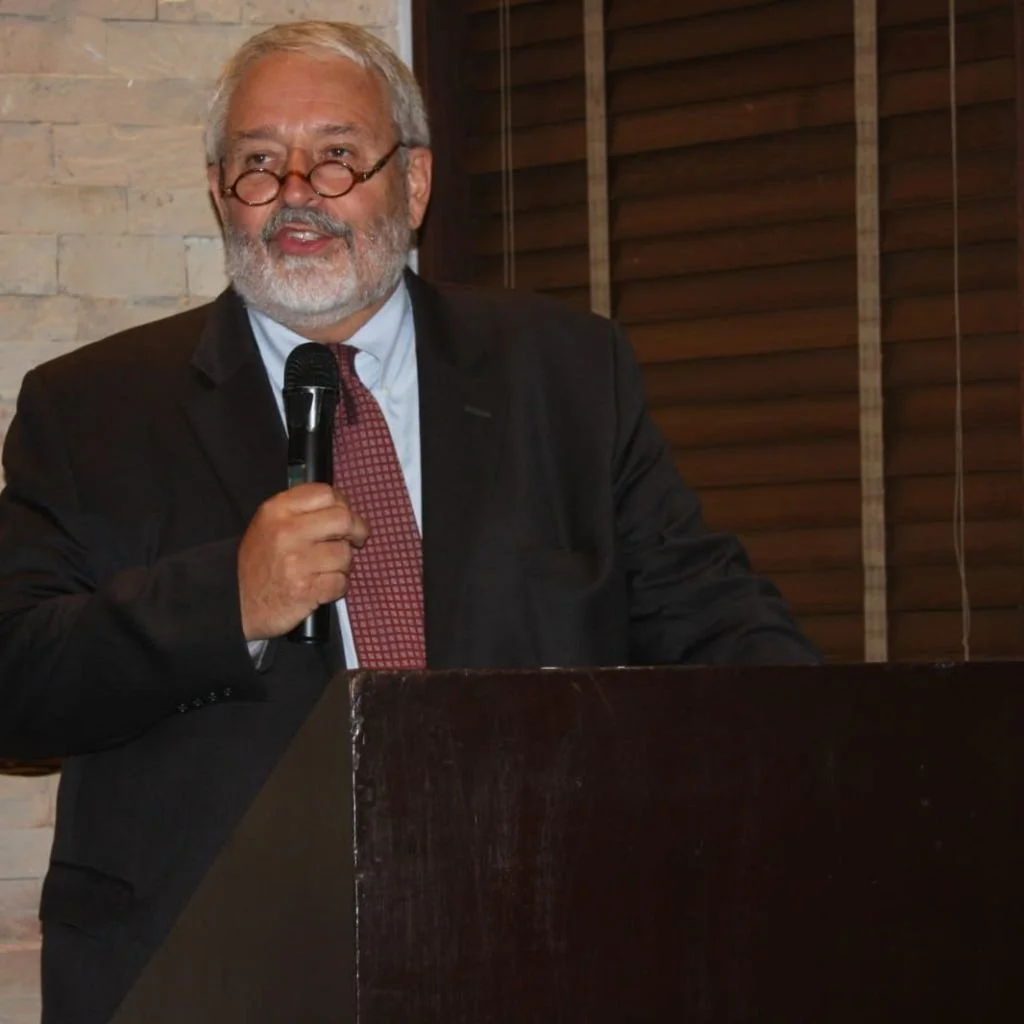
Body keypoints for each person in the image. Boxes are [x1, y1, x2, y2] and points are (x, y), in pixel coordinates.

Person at [0, 20, 819, 1024]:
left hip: (528, 961)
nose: (297, 191)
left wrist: (841, 764)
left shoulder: (564, 375)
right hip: (204, 974)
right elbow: (17, 684)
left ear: (415, 182)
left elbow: (714, 623)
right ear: (219, 192)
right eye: (259, 163)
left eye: (338, 157)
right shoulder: (92, 409)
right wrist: (229, 601)